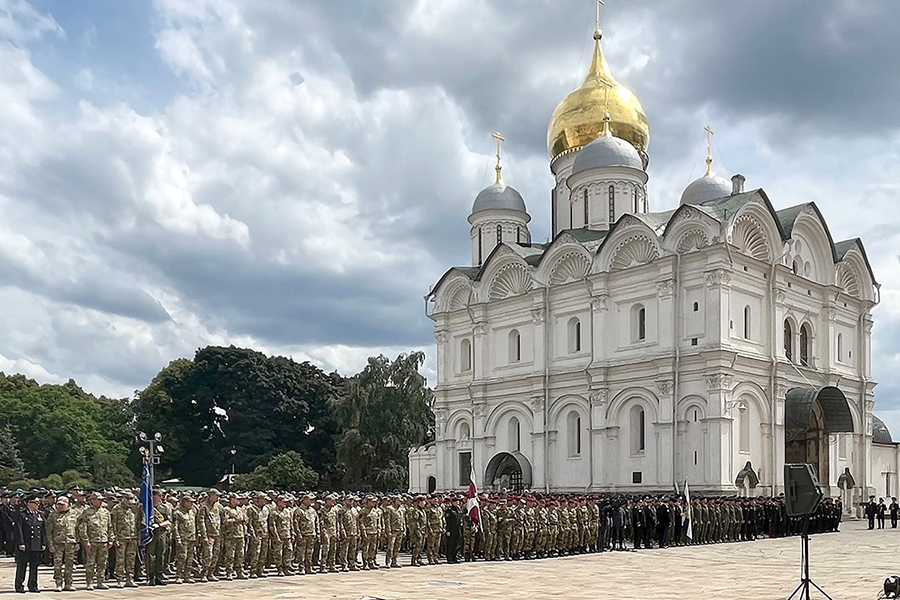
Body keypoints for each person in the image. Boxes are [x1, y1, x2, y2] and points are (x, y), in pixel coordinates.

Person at [14, 494, 46, 594]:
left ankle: (33, 585)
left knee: (34, 566)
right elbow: (18, 530)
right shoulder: (22, 515)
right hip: (26, 544)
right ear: (29, 503)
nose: (37, 504)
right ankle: (19, 585)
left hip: (36, 544)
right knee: (22, 566)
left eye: (38, 503)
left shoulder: (40, 515)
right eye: (35, 502)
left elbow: (43, 531)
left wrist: (43, 543)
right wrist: (21, 543)